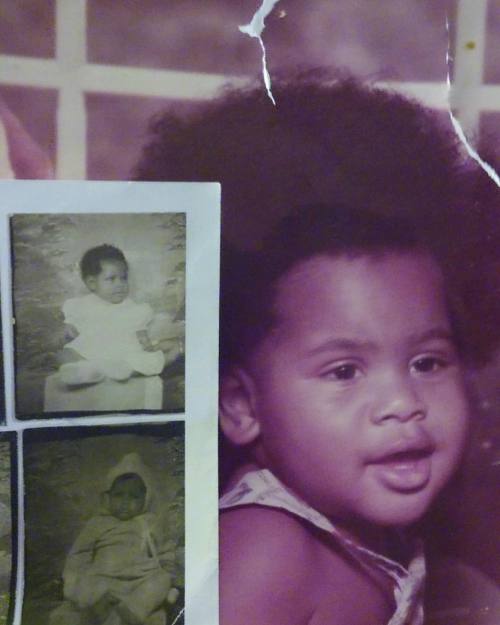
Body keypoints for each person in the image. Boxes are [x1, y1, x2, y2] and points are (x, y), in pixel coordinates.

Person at [135, 72, 500, 624]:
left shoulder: (382, 538)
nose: (402, 402)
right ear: (240, 405)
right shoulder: (267, 550)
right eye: (345, 371)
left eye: (426, 362)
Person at [50, 453, 178, 625]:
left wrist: (169, 575)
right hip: (104, 578)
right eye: (119, 495)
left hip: (140, 581)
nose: (125, 502)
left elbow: (165, 552)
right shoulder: (97, 523)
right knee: (88, 590)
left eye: (134, 497)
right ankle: (99, 612)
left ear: (146, 498)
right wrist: (75, 582)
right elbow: (79, 554)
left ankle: (129, 614)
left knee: (161, 581)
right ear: (107, 497)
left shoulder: (150, 522)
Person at [58, 244, 166, 386]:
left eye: (123, 278)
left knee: (151, 358)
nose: (120, 284)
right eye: (111, 279)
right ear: (92, 283)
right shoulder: (80, 305)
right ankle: (86, 372)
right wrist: (68, 331)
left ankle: (122, 371)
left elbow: (141, 332)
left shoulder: (134, 308)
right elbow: (70, 329)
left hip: (121, 352)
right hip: (91, 351)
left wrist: (145, 342)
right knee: (65, 354)